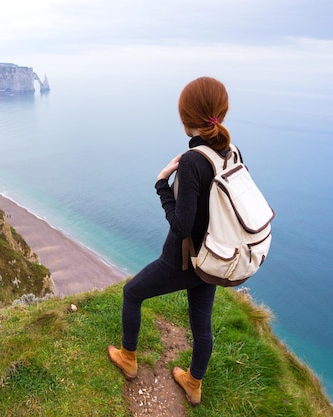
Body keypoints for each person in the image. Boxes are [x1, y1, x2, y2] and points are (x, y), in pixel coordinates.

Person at [108, 76, 235, 407]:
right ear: (221, 112)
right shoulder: (229, 151)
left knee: (132, 293)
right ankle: (193, 383)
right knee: (201, 324)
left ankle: (128, 358)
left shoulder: (194, 161)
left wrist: (161, 182)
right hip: (213, 256)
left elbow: (181, 226)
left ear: (186, 117)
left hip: (182, 258)